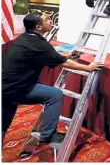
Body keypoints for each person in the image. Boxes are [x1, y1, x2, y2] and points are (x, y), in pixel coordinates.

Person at [2, 13, 103, 147]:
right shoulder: (39, 43)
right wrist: (88, 67)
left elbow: (46, 53)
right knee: (55, 95)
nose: (50, 21)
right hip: (18, 88)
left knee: (2, 125)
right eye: (47, 20)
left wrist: (65, 55)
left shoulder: (25, 39)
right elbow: (63, 62)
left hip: (4, 87)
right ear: (38, 26)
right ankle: (48, 135)